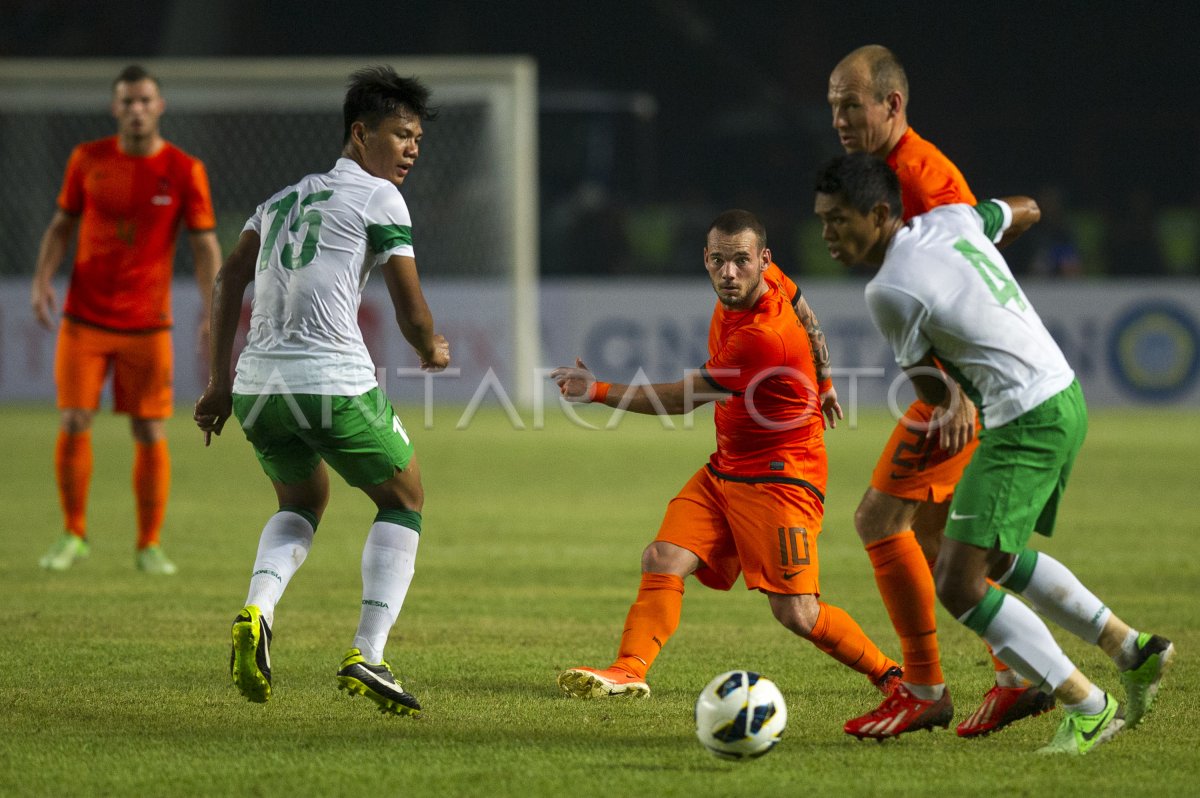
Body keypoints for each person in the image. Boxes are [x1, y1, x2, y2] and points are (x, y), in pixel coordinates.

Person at [814, 151, 1175, 754]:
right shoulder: (952, 221)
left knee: (959, 581)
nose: (826, 234)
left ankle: (1087, 705)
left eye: (838, 220)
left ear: (879, 213)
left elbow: (927, 383)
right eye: (821, 219)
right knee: (998, 560)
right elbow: (1023, 210)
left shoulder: (889, 290)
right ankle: (1129, 649)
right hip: (1060, 394)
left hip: (1024, 417)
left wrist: (952, 399)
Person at [552, 209, 901, 709]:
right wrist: (823, 381)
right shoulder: (773, 283)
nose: (730, 272)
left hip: (783, 480)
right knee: (663, 557)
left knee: (797, 612)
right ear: (706, 259)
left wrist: (598, 390)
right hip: (728, 466)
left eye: (741, 261)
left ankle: (892, 676)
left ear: (764, 260)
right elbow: (807, 308)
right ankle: (628, 670)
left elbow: (682, 399)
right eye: (720, 260)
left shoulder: (763, 336)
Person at [193, 66, 450, 717]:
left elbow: (228, 281)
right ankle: (368, 651)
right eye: (401, 134)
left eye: (418, 138)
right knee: (406, 497)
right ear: (360, 135)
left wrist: (220, 384)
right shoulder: (379, 198)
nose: (412, 149)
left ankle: (259, 607)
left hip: (256, 385)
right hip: (329, 379)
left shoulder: (277, 202)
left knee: (303, 497)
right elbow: (410, 307)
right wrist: (431, 347)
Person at [827, 44, 1048, 738]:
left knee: (878, 520)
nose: (838, 118)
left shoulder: (920, 178)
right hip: (952, 387)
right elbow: (1004, 220)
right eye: (832, 106)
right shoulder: (890, 173)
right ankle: (1020, 673)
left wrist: (955, 392)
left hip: (955, 393)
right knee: (938, 534)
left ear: (892, 105)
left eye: (850, 105)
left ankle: (926, 688)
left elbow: (962, 253)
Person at [31, 64, 222, 576]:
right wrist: (42, 278)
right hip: (84, 319)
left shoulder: (184, 170)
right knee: (74, 419)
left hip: (147, 323)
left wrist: (212, 310)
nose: (136, 109)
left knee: (149, 429)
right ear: (115, 108)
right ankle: (73, 534)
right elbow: (60, 226)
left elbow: (205, 246)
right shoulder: (87, 160)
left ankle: (149, 544)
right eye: (127, 101)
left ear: (160, 106)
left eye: (145, 101)